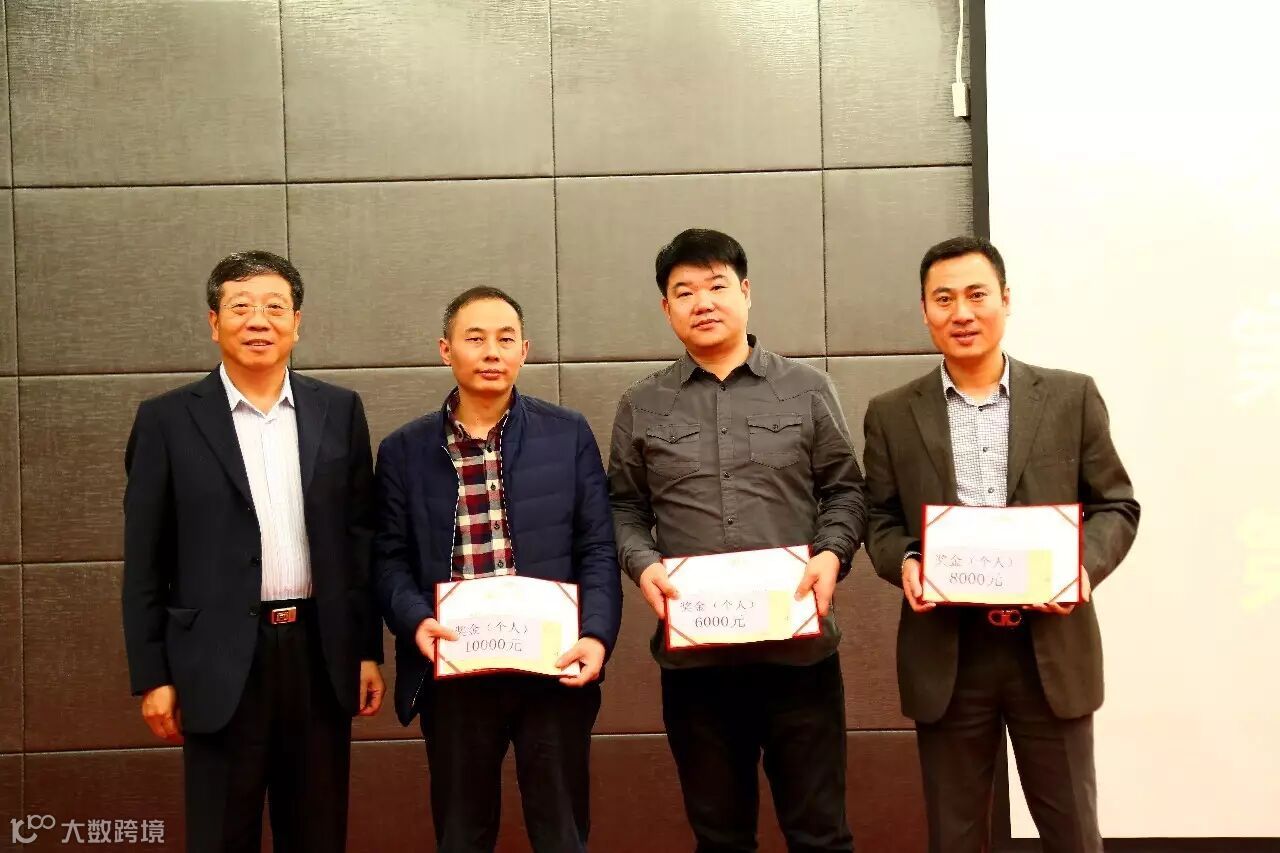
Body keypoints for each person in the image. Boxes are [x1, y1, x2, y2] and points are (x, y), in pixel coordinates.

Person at [861, 235, 1141, 853]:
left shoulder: (1071, 397)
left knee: (1073, 835)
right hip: (949, 654)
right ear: (925, 311)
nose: (961, 312)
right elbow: (878, 519)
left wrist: (1080, 568)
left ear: (1005, 299)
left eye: (976, 295)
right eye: (944, 299)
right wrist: (907, 560)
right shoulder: (891, 413)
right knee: (955, 837)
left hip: (1050, 650)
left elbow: (1116, 505)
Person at [607, 229, 864, 853]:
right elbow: (623, 508)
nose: (703, 302)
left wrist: (831, 555)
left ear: (746, 292)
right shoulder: (642, 405)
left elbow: (846, 491)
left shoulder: (806, 388)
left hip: (799, 658)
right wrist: (642, 564)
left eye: (717, 285)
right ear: (666, 307)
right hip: (698, 665)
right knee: (720, 838)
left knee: (821, 835)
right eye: (684, 291)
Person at [122, 250, 384, 853]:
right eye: (240, 307)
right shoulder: (166, 420)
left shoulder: (339, 410)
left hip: (318, 655)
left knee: (317, 834)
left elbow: (359, 540)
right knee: (220, 835)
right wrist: (153, 675)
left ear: (298, 322)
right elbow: (144, 560)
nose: (258, 320)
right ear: (214, 323)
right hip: (215, 659)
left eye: (274, 307)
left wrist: (367, 650)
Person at [372, 286, 621, 853]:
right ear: (446, 350)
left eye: (506, 339)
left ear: (524, 351)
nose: (491, 352)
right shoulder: (404, 450)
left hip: (552, 669)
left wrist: (596, 635)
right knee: (462, 835)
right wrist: (415, 621)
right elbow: (387, 559)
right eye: (475, 338)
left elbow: (597, 548)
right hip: (455, 671)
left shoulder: (568, 434)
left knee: (562, 835)